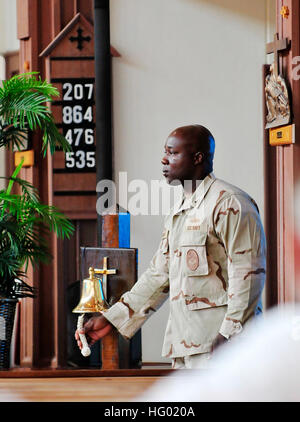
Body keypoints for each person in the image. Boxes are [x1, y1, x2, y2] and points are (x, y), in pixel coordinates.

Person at [75, 124, 266, 369]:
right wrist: (111, 319)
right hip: (186, 347)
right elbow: (159, 275)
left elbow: (248, 276)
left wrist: (230, 335)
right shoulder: (180, 209)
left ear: (198, 158)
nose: (164, 159)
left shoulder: (230, 203)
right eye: (165, 152)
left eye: (173, 153)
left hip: (223, 348)